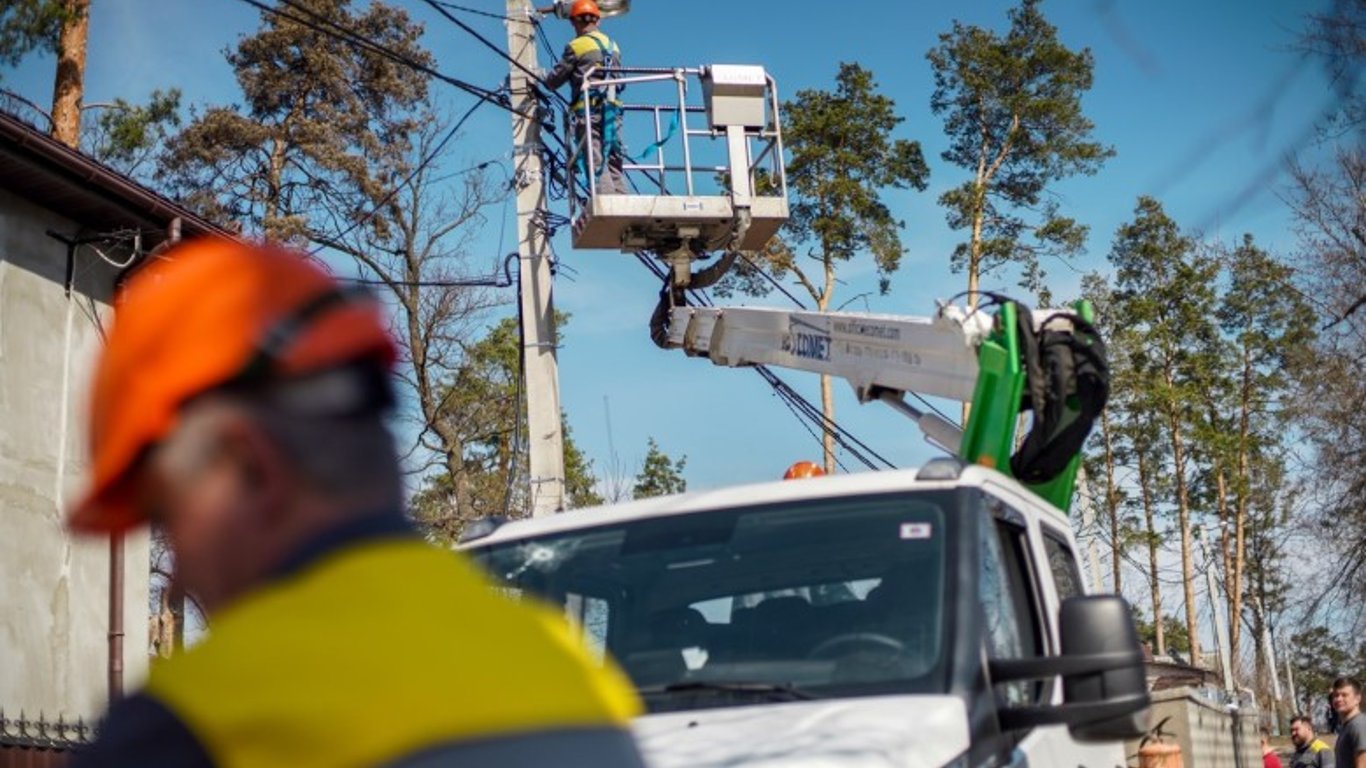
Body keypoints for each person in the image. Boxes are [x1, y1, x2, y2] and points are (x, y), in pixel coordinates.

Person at [68, 239, 647, 767]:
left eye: (168, 518)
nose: (175, 576)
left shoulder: (195, 727)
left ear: (251, 466)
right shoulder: (571, 671)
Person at [543, 0, 628, 194]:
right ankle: (623, 200)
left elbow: (555, 80)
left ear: (575, 22)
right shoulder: (613, 45)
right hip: (613, 112)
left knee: (595, 158)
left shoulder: (577, 46)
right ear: (598, 21)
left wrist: (542, 79)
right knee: (614, 160)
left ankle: (606, 202)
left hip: (589, 113)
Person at [1332, 677, 1366, 768]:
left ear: (1357, 699)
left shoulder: (1358, 725)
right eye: (1336, 695)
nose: (1339, 699)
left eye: (1344, 695)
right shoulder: (1347, 726)